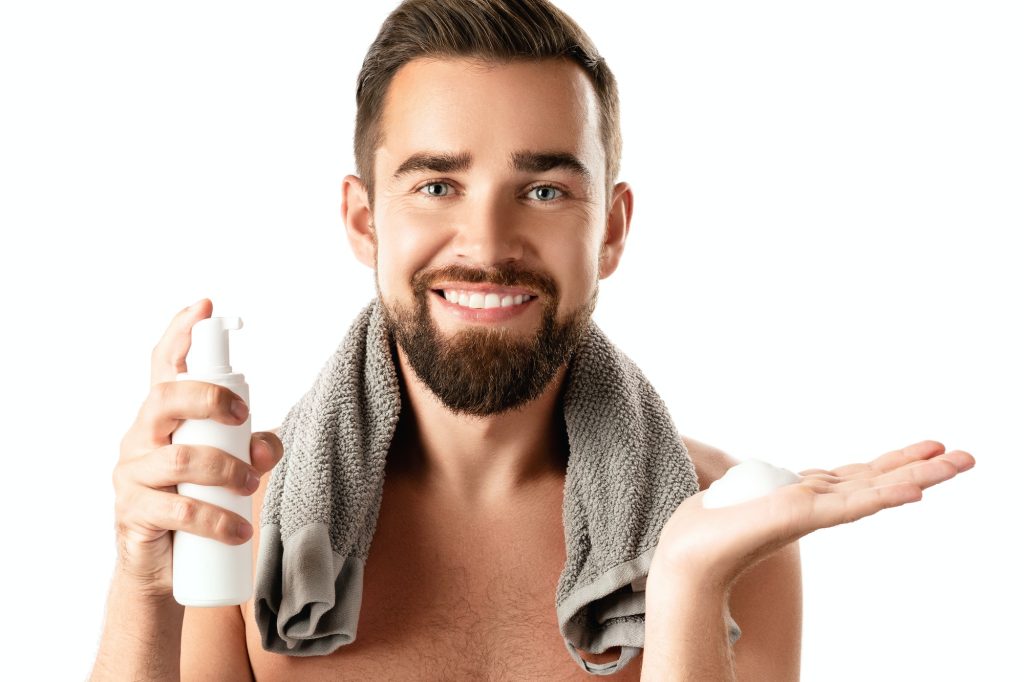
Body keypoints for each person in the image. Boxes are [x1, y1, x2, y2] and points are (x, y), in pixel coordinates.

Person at [91, 1, 976, 680]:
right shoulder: (245, 528)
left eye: (545, 190)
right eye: (436, 185)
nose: (486, 244)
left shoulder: (729, 531)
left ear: (612, 230)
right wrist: (140, 579)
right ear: (364, 221)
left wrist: (690, 587)